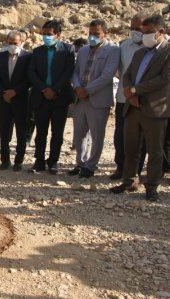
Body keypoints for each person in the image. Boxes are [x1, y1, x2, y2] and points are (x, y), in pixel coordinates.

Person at [110, 15, 170, 201]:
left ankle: (151, 186)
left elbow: (164, 79)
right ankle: (129, 180)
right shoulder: (140, 53)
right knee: (131, 147)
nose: (144, 36)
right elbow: (126, 74)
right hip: (133, 107)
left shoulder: (167, 53)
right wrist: (130, 93)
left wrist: (135, 90)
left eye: (148, 32)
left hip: (154, 108)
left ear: (161, 32)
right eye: (143, 32)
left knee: (154, 150)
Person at [70, 19, 120, 178]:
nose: (92, 37)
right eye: (90, 33)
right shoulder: (84, 50)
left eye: (96, 34)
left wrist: (87, 90)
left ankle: (91, 166)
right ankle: (80, 163)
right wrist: (77, 87)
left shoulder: (113, 50)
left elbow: (107, 75)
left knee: (97, 135)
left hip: (98, 100)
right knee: (79, 135)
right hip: (80, 98)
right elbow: (76, 71)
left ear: (106, 33)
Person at [27, 20, 75, 174]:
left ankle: (53, 161)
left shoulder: (68, 50)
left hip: (59, 98)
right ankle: (39, 161)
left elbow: (68, 72)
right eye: (44, 34)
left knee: (57, 132)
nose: (46, 37)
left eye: (49, 34)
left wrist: (54, 89)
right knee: (41, 132)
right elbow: (31, 72)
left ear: (58, 35)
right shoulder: (37, 51)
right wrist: (44, 89)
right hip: (41, 97)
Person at [110, 14, 146, 180]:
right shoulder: (124, 46)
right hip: (123, 99)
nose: (133, 32)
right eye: (131, 28)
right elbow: (119, 71)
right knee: (120, 135)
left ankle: (135, 172)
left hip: (143, 100)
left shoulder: (153, 48)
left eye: (137, 29)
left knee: (140, 138)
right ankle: (120, 166)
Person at [0, 30, 32, 171]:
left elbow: (29, 78)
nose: (12, 46)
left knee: (21, 132)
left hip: (20, 99)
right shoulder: (1, 56)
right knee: (4, 131)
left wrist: (15, 91)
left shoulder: (28, 57)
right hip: (4, 100)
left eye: (15, 43)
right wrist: (3, 93)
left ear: (21, 43)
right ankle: (5, 160)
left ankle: (18, 161)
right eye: (10, 43)